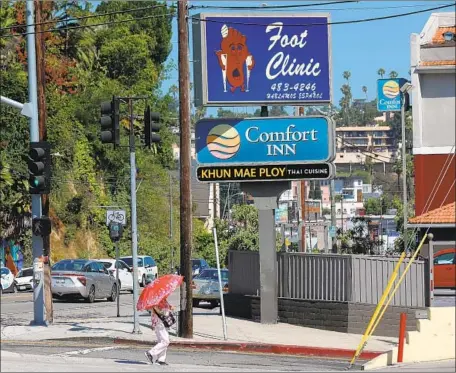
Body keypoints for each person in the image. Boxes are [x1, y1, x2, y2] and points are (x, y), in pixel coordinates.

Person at [145, 298, 173, 365]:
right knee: (165, 341)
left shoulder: (162, 299)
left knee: (162, 341)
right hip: (160, 323)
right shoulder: (156, 300)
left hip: (161, 323)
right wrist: (167, 310)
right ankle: (150, 353)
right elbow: (159, 312)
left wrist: (169, 307)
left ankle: (161, 359)